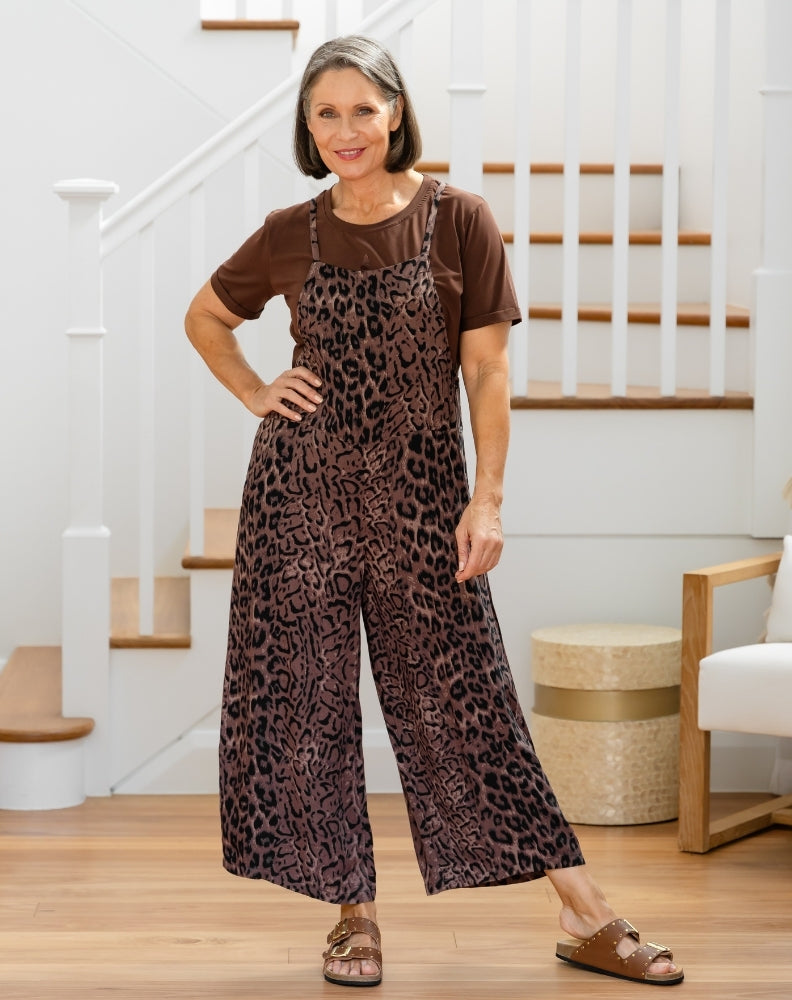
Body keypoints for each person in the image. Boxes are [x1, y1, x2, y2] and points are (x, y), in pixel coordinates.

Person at [184, 35, 683, 989]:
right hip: (301, 496)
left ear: (398, 113)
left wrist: (485, 498)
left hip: (422, 498)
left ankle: (587, 915)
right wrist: (254, 389)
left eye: (361, 110)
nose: (343, 131)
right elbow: (206, 316)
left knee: (467, 702)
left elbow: (488, 370)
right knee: (309, 705)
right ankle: (352, 919)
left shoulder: (460, 218)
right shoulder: (293, 228)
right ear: (307, 126)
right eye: (323, 114)